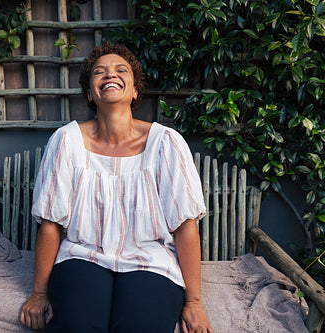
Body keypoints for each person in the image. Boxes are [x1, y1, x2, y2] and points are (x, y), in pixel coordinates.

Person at [20, 42, 213, 333]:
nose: (110, 75)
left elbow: (185, 226)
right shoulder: (66, 141)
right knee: (77, 326)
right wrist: (39, 293)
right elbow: (51, 223)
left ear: (135, 91)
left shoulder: (166, 144)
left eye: (121, 70)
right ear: (90, 93)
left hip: (151, 260)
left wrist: (194, 301)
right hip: (82, 255)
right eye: (100, 72)